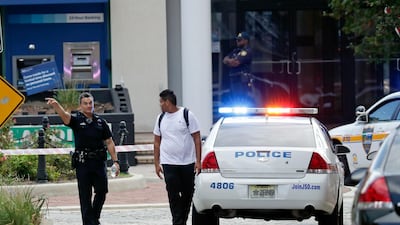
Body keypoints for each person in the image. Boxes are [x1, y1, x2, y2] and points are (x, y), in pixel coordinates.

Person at [46, 92, 120, 225]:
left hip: (98, 162)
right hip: (83, 163)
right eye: (85, 103)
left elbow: (109, 142)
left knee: (102, 191)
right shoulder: (76, 120)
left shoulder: (100, 122)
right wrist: (57, 106)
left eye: (90, 103)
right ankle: (90, 222)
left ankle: (94, 218)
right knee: (85, 196)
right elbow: (65, 117)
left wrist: (115, 161)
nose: (88, 106)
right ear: (80, 105)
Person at [153, 89, 202, 225]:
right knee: (173, 194)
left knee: (187, 194)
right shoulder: (160, 118)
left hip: (187, 162)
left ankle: (182, 219)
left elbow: (197, 138)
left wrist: (198, 161)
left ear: (168, 102)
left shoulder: (187, 115)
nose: (160, 104)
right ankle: (177, 221)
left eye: (161, 102)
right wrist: (156, 163)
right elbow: (157, 141)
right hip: (169, 163)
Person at [223, 31, 253, 104]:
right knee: (235, 99)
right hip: (234, 78)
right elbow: (224, 60)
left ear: (246, 41)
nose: (237, 41)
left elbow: (236, 63)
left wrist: (229, 62)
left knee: (241, 99)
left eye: (239, 40)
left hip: (242, 80)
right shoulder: (235, 51)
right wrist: (230, 61)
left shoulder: (247, 51)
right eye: (237, 40)